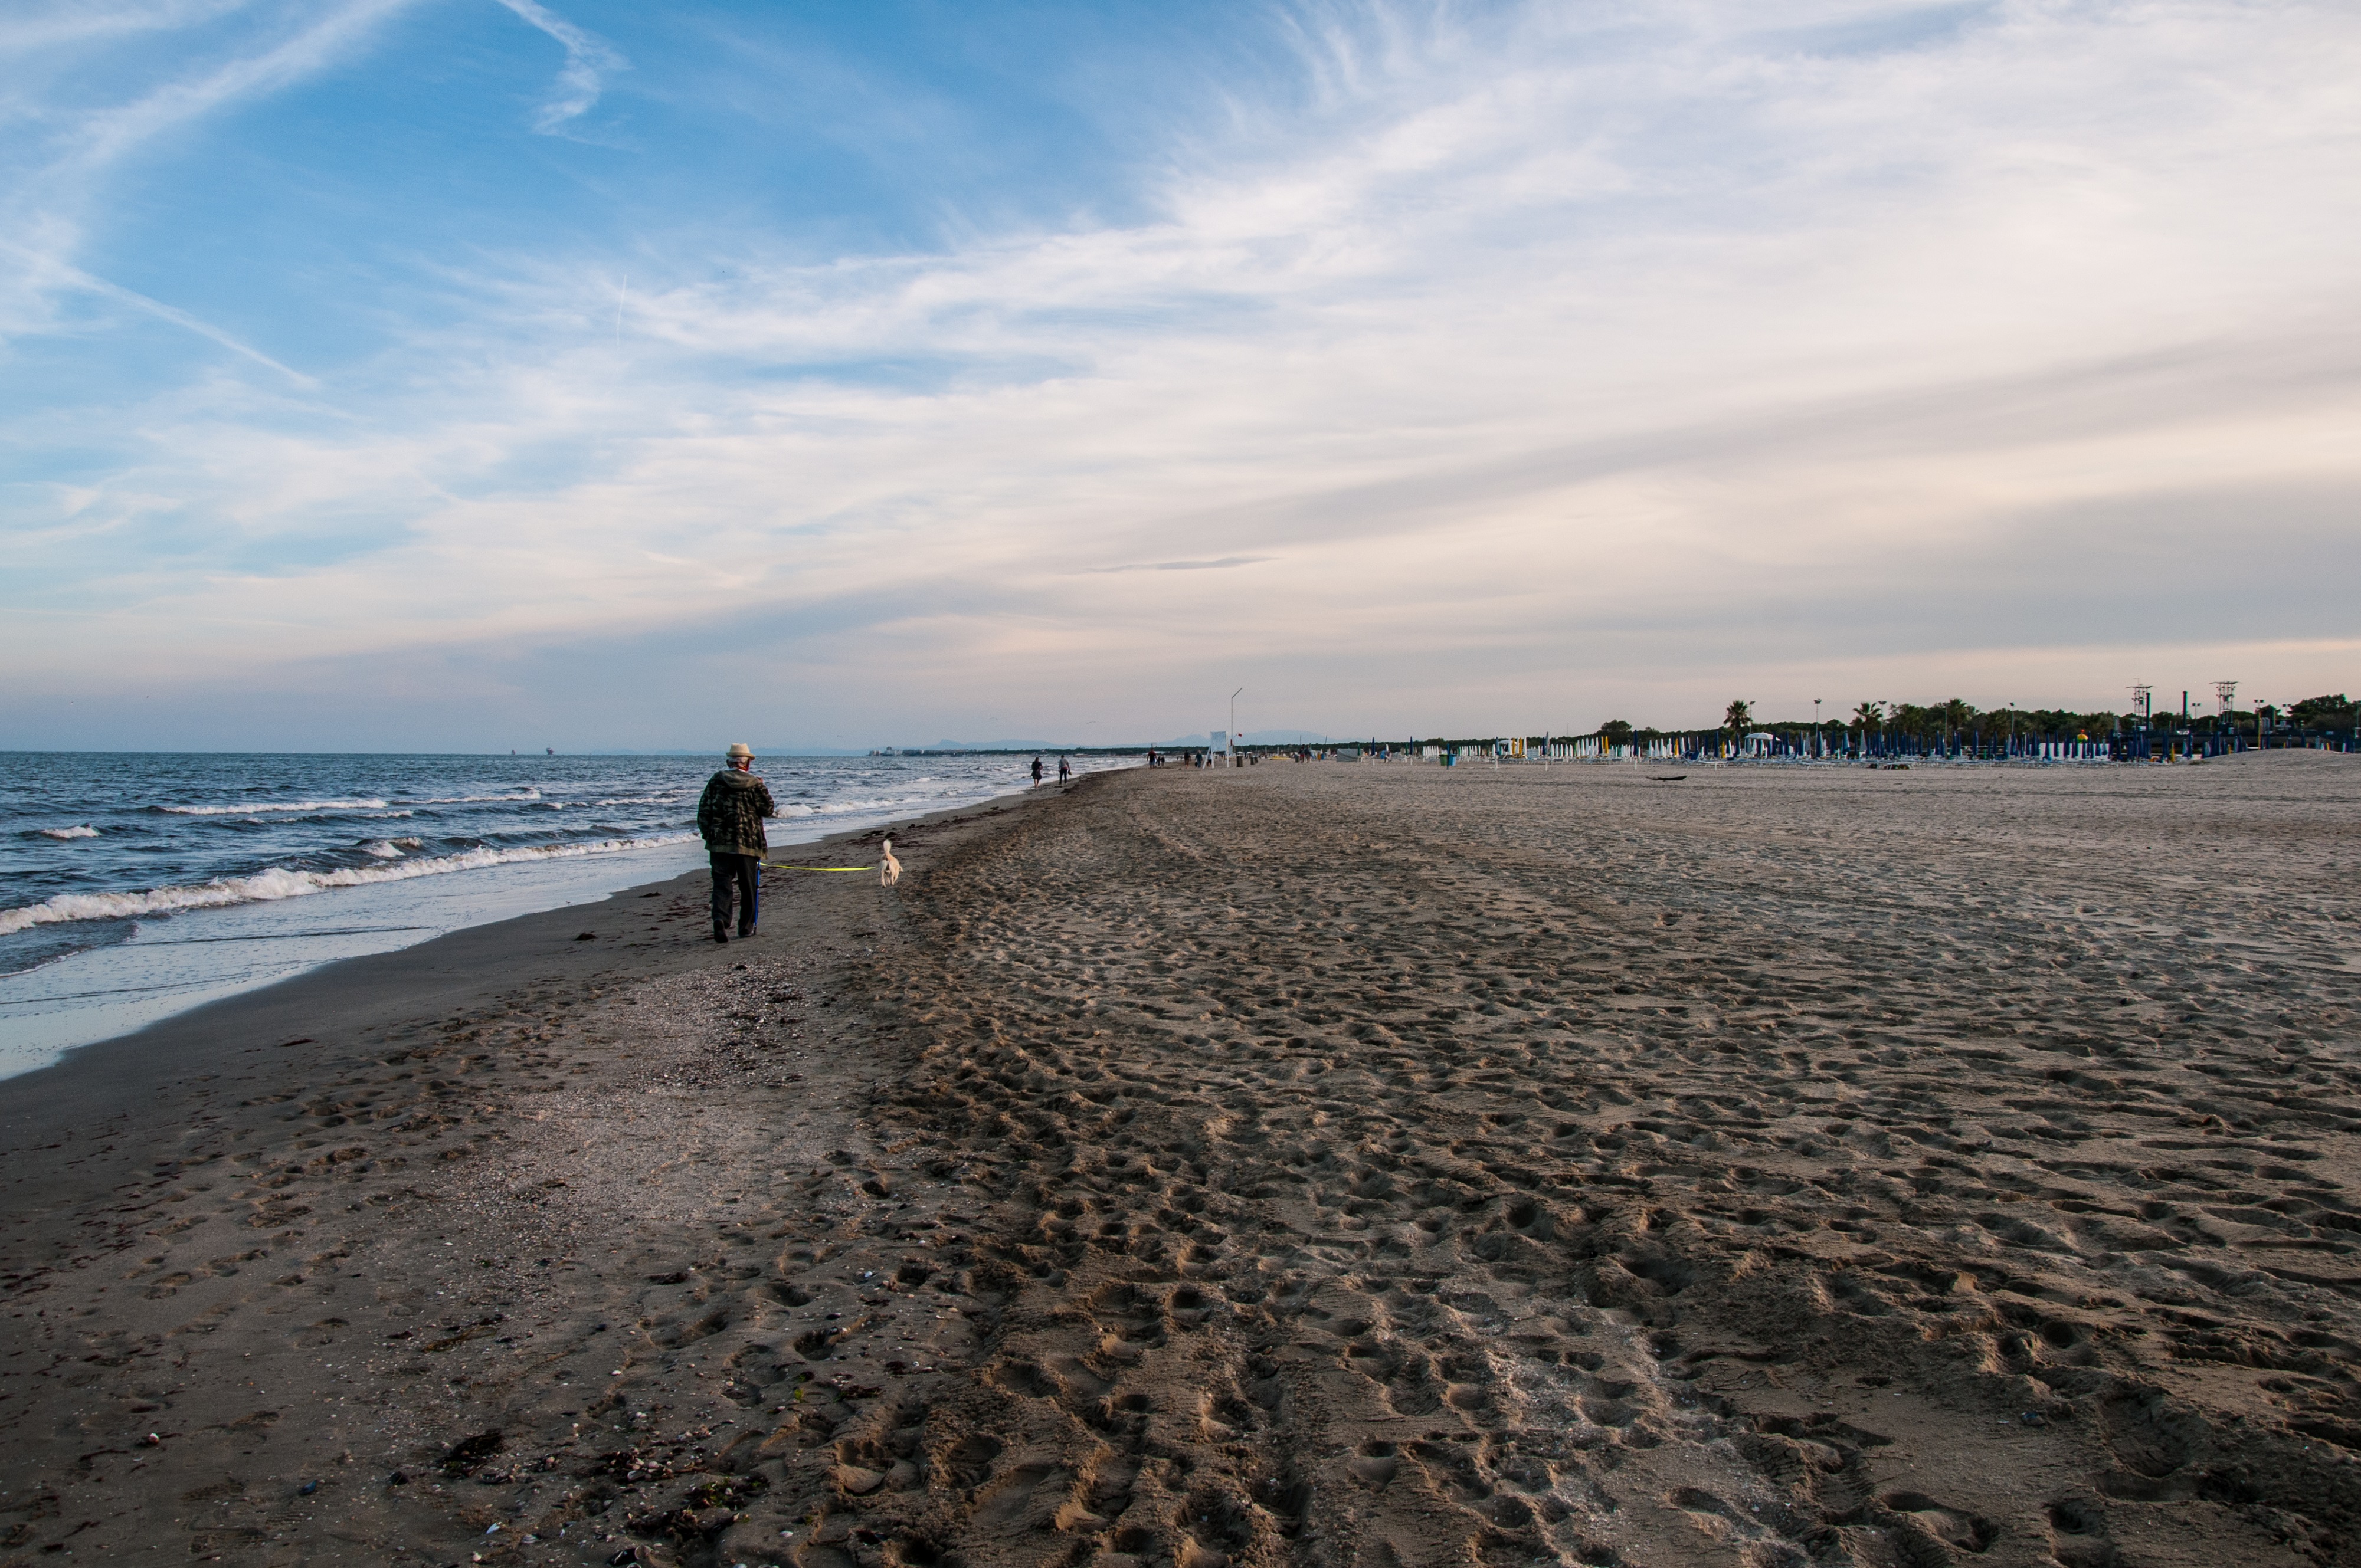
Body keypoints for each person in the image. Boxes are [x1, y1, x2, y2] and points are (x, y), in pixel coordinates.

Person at [696, 743, 776, 944]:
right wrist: (762, 785)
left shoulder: (716, 780)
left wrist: (708, 834)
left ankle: (720, 919)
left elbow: (704, 810)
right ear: (747, 764)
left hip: (720, 842)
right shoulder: (755, 783)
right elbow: (768, 809)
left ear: (728, 762)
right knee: (748, 887)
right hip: (748, 843)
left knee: (722, 884)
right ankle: (746, 927)